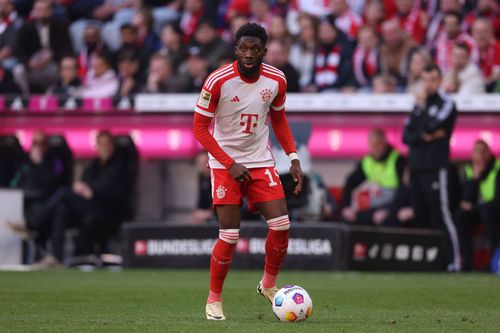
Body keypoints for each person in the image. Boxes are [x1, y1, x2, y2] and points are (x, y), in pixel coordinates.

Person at [192, 23, 303, 320]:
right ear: (236, 50)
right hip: (225, 164)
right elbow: (199, 129)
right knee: (229, 234)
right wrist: (229, 164)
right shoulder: (218, 81)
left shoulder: (277, 79)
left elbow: (279, 119)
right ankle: (214, 299)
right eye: (244, 48)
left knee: (281, 225)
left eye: (255, 48)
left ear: (265, 51)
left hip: (260, 161)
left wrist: (292, 156)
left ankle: (268, 284)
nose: (249, 54)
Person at [403, 63, 460, 271]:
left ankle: (454, 261)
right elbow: (406, 136)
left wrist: (424, 130)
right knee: (420, 215)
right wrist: (426, 136)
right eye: (425, 80)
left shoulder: (447, 103)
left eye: (433, 80)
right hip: (416, 166)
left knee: (441, 213)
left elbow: (431, 125)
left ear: (440, 80)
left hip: (435, 166)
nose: (429, 84)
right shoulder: (418, 105)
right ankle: (426, 262)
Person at [342, 129, 406, 226]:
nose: (375, 148)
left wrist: (389, 211)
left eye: (378, 144)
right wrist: (347, 207)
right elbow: (350, 182)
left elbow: (404, 190)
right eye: (372, 145)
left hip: (393, 205)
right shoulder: (367, 161)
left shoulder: (398, 160)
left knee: (389, 221)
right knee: (348, 219)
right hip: (373, 205)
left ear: (384, 142)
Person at [456, 140, 500, 271]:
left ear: (488, 154)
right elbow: (465, 200)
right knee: (460, 216)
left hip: (494, 210)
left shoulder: (497, 168)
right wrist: (475, 179)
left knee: (488, 211)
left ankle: (494, 260)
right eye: (476, 151)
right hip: (480, 210)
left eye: (482, 151)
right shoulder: (469, 170)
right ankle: (467, 262)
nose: (479, 155)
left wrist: (474, 207)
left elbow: (497, 200)